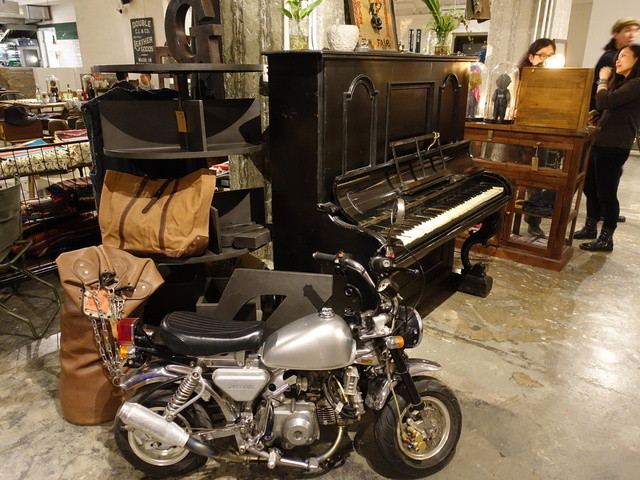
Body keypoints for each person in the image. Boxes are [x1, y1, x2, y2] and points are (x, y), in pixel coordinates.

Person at [574, 44, 640, 252]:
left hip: (615, 145)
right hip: (600, 141)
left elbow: (605, 101)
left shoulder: (637, 83)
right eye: (618, 56)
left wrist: (602, 79)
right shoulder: (623, 83)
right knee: (589, 187)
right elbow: (606, 108)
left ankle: (606, 238)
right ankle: (590, 227)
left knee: (607, 193)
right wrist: (596, 116)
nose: (617, 60)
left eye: (624, 56)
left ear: (637, 60)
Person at [517, 38, 556, 237]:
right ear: (532, 56)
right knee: (510, 175)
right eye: (542, 55)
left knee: (536, 180)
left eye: (550, 56)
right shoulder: (521, 75)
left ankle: (533, 220)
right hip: (519, 132)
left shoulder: (556, 80)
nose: (545, 60)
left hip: (542, 133)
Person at [589, 17, 640, 111]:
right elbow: (599, 86)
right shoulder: (609, 57)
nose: (632, 35)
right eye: (627, 30)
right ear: (615, 34)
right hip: (604, 107)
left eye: (636, 30)